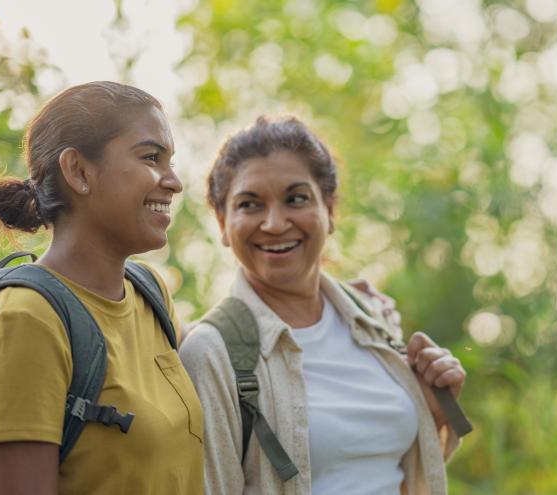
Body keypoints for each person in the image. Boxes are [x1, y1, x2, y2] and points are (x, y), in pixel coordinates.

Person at [179, 116, 466, 494]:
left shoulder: (374, 322)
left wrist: (432, 412)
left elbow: (387, 469)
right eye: (250, 204)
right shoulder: (212, 353)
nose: (275, 223)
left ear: (328, 209)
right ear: (222, 222)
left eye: (295, 199)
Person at [0, 81, 203, 494]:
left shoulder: (149, 293)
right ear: (79, 172)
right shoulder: (23, 321)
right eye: (151, 157)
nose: (173, 181)